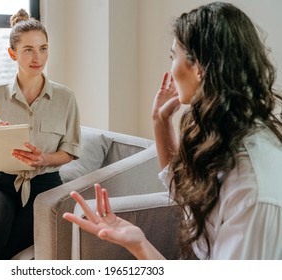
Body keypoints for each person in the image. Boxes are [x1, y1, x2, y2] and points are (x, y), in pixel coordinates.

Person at [63, 2, 282, 260]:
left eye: (172, 57)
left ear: (199, 67)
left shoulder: (252, 187)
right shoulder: (225, 136)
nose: (170, 69)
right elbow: (187, 194)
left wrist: (141, 247)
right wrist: (160, 121)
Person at [0, 8, 80, 259]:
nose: (38, 57)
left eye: (43, 48)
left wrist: (43, 159)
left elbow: (69, 151)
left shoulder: (65, 98)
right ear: (12, 53)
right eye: (28, 50)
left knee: (11, 241)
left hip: (45, 187)